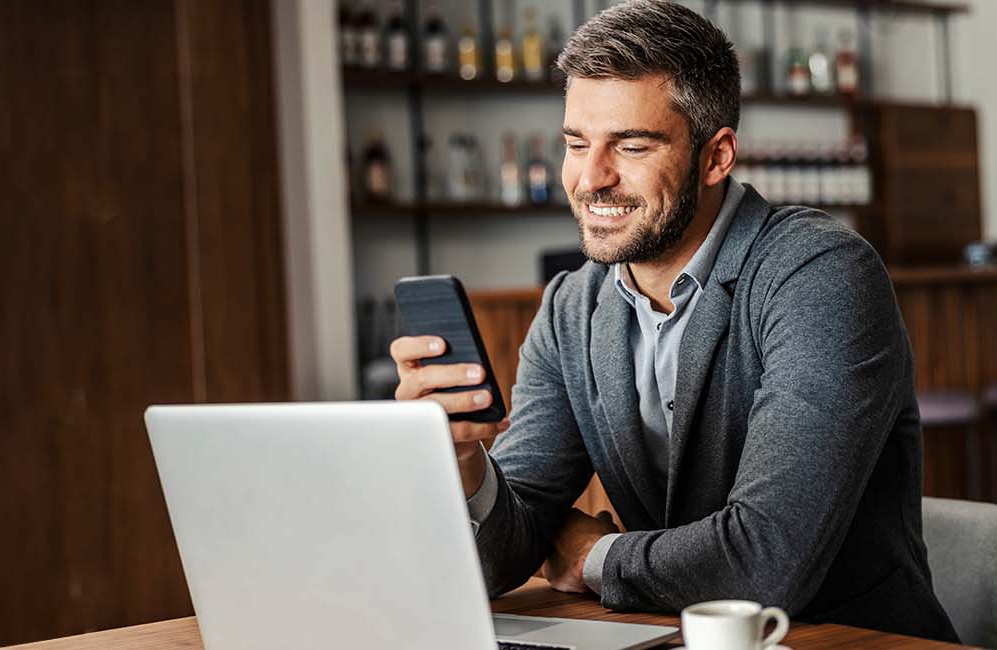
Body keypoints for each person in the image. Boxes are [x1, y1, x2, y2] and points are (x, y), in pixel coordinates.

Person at [389, 1, 958, 642]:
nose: (591, 178)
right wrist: (464, 460)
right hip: (666, 635)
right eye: (576, 144)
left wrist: (593, 555)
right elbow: (508, 546)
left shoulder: (820, 274)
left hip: (850, 640)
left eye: (631, 146)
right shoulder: (571, 307)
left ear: (716, 157)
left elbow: (766, 562)